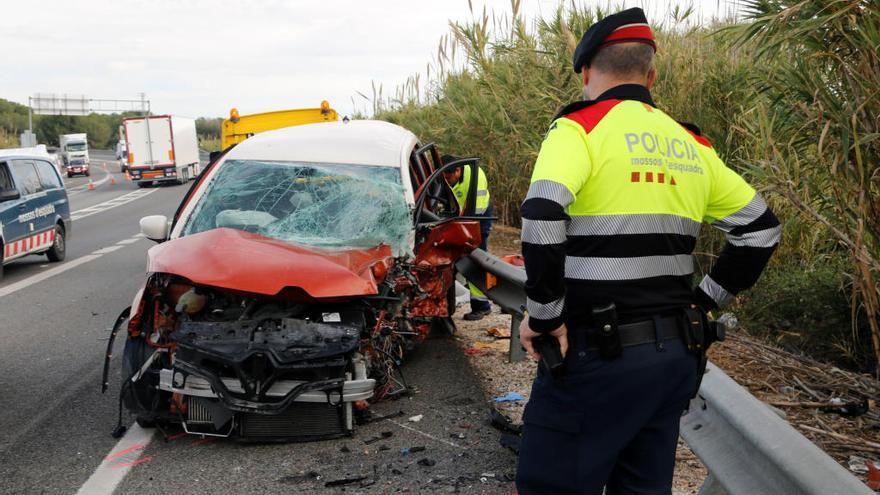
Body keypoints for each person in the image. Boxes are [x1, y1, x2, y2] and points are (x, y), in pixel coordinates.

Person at [516, 8, 781, 494]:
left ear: (586, 72)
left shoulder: (580, 128)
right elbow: (760, 231)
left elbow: (542, 214)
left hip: (595, 355)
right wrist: (703, 303)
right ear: (651, 75)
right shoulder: (692, 144)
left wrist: (546, 315)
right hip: (673, 358)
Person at [441, 153, 493, 320]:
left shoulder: (476, 178)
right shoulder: (446, 176)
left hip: (478, 219)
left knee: (475, 260)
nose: (446, 181)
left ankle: (481, 306)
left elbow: (475, 213)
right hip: (459, 217)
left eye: (448, 177)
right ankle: (445, 307)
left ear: (458, 171)